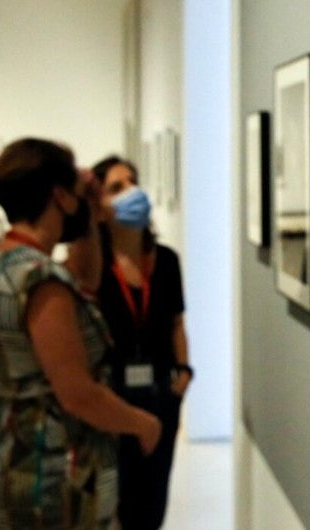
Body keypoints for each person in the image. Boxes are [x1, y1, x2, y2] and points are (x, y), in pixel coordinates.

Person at [0, 138, 161, 528]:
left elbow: (85, 282)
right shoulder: (41, 279)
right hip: (57, 465)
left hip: (15, 450)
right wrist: (143, 423)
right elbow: (78, 395)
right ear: (59, 196)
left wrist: (89, 214)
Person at [91, 155, 191, 530]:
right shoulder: (93, 265)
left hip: (161, 390)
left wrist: (183, 375)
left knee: (153, 496)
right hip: (112, 393)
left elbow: (176, 323)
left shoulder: (165, 261)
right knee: (117, 494)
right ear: (100, 205)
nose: (132, 192)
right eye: (117, 188)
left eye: (133, 181)